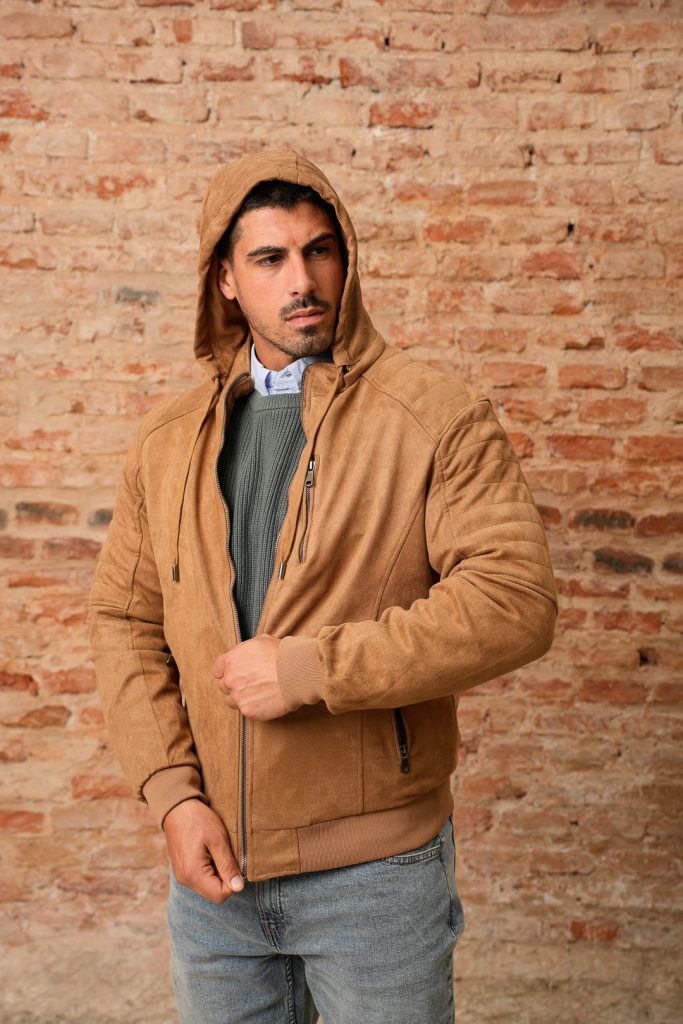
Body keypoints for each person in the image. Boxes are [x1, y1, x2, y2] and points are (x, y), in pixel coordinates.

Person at [89, 148, 557, 1024]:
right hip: (214, 880)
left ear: (345, 260)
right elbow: (124, 620)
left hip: (376, 881)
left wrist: (311, 669)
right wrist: (172, 796)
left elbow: (514, 602)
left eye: (319, 251)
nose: (302, 280)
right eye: (269, 259)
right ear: (225, 280)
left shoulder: (434, 418)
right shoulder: (167, 440)